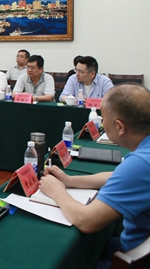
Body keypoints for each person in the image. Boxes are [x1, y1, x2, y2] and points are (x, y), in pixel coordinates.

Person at [39, 84, 150, 268]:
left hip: (136, 256)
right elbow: (118, 176)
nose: (102, 122)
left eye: (103, 118)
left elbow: (86, 221)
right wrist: (70, 181)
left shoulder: (140, 164)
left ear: (119, 126)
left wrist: (57, 191)